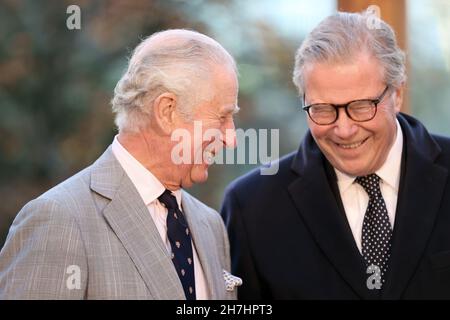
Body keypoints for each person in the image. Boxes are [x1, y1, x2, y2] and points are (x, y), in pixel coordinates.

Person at [221, 11, 450, 299]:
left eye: (361, 106)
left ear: (398, 94)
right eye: (323, 109)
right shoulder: (251, 207)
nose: (344, 129)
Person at [0, 29, 241, 299]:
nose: (231, 138)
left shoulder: (210, 225)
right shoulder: (59, 219)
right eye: (222, 117)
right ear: (167, 112)